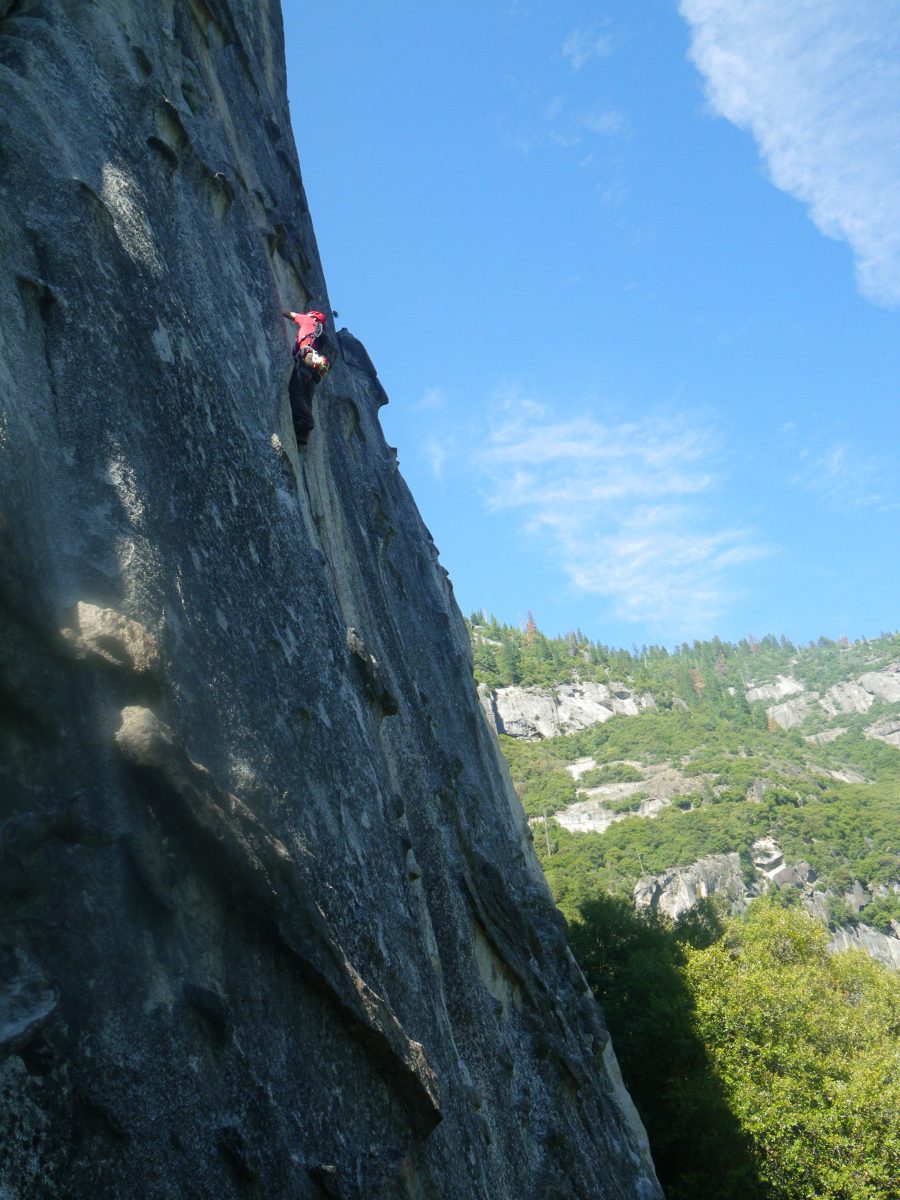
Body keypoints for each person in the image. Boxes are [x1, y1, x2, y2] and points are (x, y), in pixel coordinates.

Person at [282, 309, 331, 445]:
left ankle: (305, 420)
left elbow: (290, 315)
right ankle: (303, 434)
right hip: (316, 369)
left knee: (295, 389)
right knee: (306, 396)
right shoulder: (320, 333)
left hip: (307, 357)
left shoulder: (308, 320)